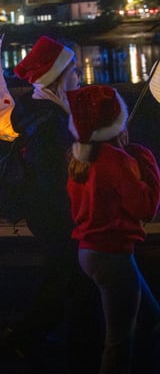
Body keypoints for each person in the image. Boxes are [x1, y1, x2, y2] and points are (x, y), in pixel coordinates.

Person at [4, 36, 102, 371]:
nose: (78, 77)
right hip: (54, 211)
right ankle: (82, 351)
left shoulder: (48, 111)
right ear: (58, 77)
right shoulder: (50, 122)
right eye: (73, 71)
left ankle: (26, 336)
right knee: (76, 277)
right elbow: (54, 176)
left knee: (60, 274)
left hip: (49, 210)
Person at [66, 84, 160, 374]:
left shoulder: (79, 157)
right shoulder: (119, 160)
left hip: (89, 251)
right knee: (118, 340)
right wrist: (146, 161)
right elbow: (145, 208)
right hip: (113, 256)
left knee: (151, 316)